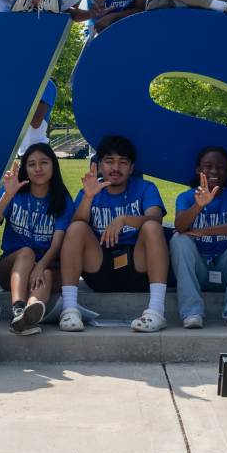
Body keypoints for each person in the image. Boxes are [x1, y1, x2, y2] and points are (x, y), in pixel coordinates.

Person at [57, 134, 170, 332]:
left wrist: (125, 219)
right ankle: (69, 310)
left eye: (123, 162)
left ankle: (156, 311)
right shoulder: (90, 191)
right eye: (109, 161)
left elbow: (156, 217)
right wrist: (88, 197)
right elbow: (75, 227)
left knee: (152, 227)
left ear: (132, 168)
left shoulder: (145, 188)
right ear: (99, 165)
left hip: (137, 266)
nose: (115, 168)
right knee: (76, 228)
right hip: (101, 267)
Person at [169, 145, 227, 330]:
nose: (214, 171)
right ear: (198, 170)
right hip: (199, 270)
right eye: (208, 166)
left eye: (220, 167)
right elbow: (180, 226)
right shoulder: (186, 197)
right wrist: (199, 205)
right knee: (179, 239)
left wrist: (204, 231)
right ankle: (192, 312)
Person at [0, 142, 69, 334]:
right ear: (25, 169)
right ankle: (18, 308)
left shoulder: (62, 200)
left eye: (43, 162)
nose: (38, 168)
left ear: (53, 166)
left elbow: (56, 244)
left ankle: (29, 314)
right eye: (31, 164)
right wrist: (7, 195)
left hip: (46, 267)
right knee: (26, 252)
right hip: (12, 269)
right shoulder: (14, 194)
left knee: (46, 273)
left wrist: (40, 266)